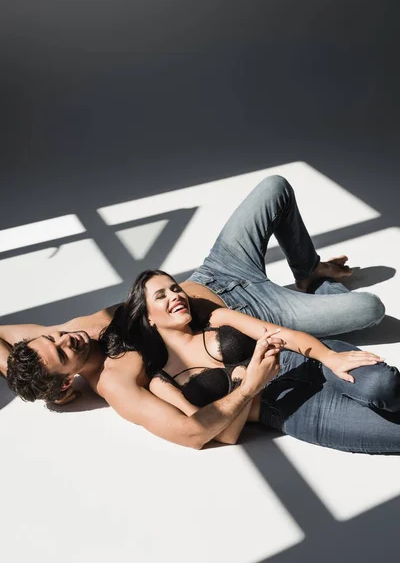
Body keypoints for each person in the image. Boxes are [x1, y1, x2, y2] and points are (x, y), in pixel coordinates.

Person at [3, 176, 386, 448]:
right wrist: (57, 395)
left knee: (276, 188)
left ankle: (308, 272)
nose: (65, 338)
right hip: (259, 314)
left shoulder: (69, 333)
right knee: (369, 309)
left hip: (217, 272)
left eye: (52, 337)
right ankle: (314, 292)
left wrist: (27, 374)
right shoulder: (115, 382)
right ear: (67, 381)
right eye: (62, 352)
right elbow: (192, 433)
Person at [106, 268, 400, 454]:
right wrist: (251, 384)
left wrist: (328, 357)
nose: (175, 295)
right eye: (161, 295)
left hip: (301, 361)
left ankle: (324, 285)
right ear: (148, 318)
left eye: (175, 288)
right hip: (287, 409)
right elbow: (226, 435)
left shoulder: (214, 318)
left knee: (383, 387)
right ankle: (325, 286)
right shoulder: (161, 382)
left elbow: (281, 335)